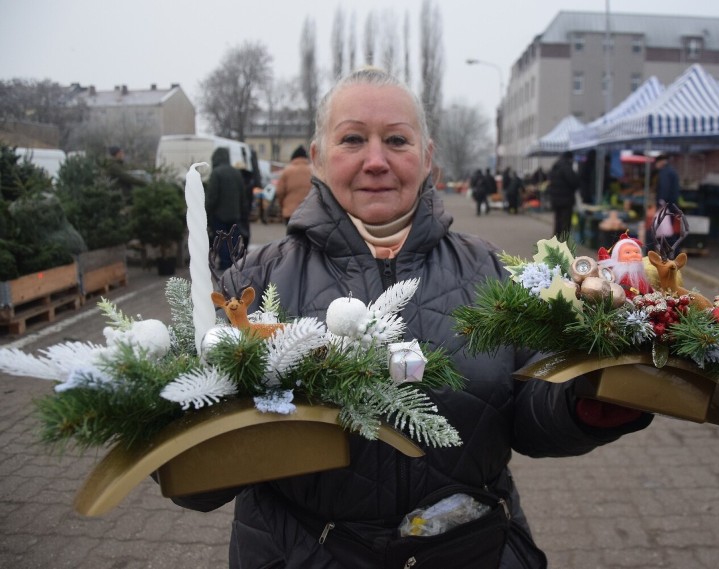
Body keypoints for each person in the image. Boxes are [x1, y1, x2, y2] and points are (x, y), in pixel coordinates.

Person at [173, 67, 652, 569]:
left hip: (472, 551)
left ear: (426, 159)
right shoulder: (250, 287)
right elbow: (195, 479)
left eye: (397, 140)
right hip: (303, 555)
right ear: (317, 158)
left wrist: (584, 406)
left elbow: (531, 413)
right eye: (352, 139)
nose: (376, 161)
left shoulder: (494, 271)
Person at [206, 147, 246, 270]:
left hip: (219, 214)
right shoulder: (236, 172)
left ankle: (224, 265)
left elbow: (212, 196)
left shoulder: (216, 173)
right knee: (233, 240)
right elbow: (242, 195)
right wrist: (242, 211)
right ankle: (234, 263)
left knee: (222, 240)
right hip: (235, 213)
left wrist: (206, 212)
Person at [598, 233, 653, 299]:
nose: (634, 255)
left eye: (636, 252)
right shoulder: (614, 276)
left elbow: (651, 293)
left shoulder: (643, 278)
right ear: (617, 257)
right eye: (627, 252)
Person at [275, 145, 313, 228]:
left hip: (290, 212)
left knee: (292, 238)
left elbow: (279, 192)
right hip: (309, 212)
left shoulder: (287, 171)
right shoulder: (313, 171)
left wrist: (283, 205)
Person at [547, 150, 580, 239]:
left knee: (558, 220)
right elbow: (573, 181)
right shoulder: (566, 167)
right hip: (566, 199)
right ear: (570, 158)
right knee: (565, 222)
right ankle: (564, 242)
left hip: (555, 199)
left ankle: (555, 239)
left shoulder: (555, 166)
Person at [652, 154, 682, 250]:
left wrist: (661, 202)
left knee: (666, 230)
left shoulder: (665, 172)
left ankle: (673, 251)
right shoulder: (672, 171)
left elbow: (665, 187)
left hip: (667, 205)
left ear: (660, 162)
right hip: (673, 204)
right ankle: (671, 250)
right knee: (669, 229)